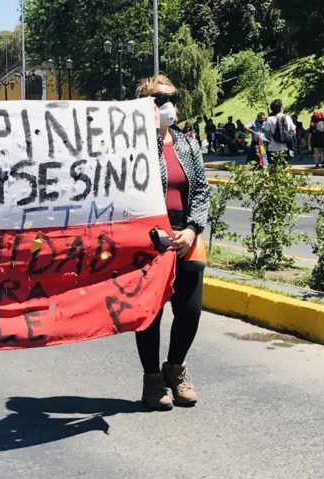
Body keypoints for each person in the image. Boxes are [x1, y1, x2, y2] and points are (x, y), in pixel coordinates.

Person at [134, 74, 210, 411]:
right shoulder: (134, 146)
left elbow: (202, 192)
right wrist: (149, 131)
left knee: (190, 311)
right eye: (160, 100)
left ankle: (175, 368)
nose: (169, 106)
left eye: (172, 99)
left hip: (186, 236)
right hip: (149, 240)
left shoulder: (188, 144)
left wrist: (192, 229)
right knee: (149, 314)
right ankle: (152, 380)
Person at [262, 99, 295, 165]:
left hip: (272, 147)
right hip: (286, 147)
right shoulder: (288, 117)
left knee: (273, 168)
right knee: (285, 168)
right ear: (280, 108)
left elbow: (266, 135)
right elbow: (293, 131)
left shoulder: (269, 119)